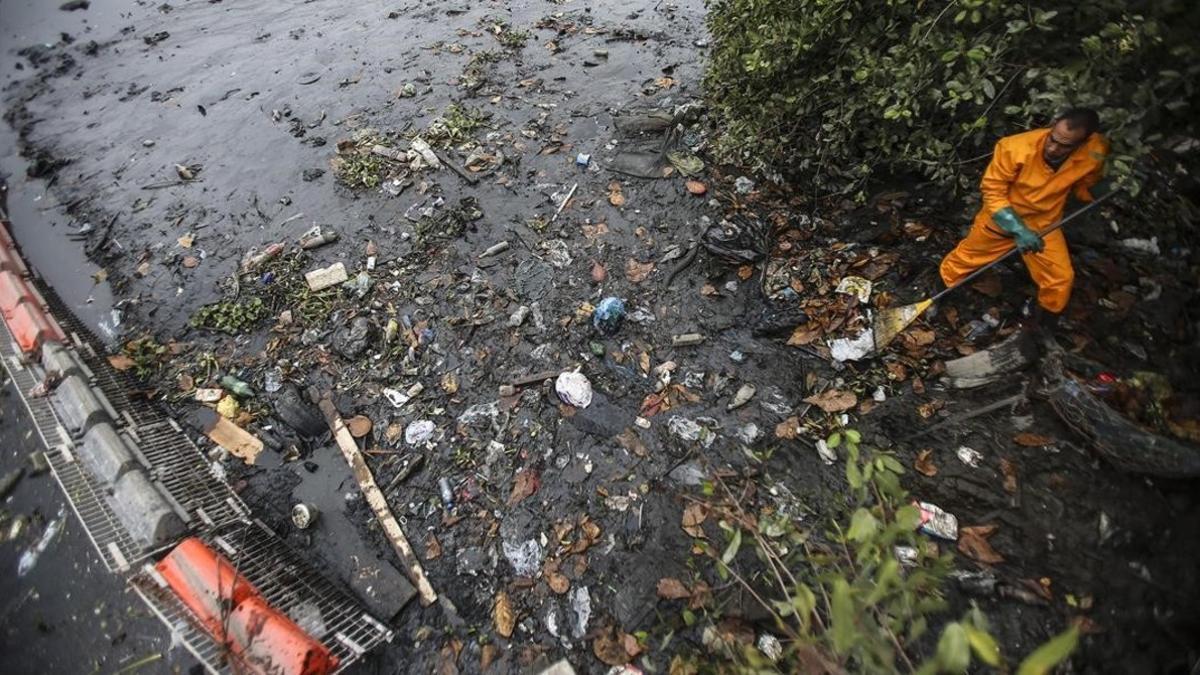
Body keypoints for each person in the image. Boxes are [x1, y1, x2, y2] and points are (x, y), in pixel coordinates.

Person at [939, 108, 1109, 327]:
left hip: (1044, 223)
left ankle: (1042, 326)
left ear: (1082, 143)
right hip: (1003, 218)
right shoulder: (1014, 147)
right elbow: (992, 190)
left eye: (1064, 145)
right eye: (1052, 139)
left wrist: (1095, 193)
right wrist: (1018, 229)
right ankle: (938, 295)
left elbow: (1086, 184)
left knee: (1060, 279)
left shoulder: (1096, 150)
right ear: (1052, 126)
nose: (1053, 148)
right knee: (964, 260)